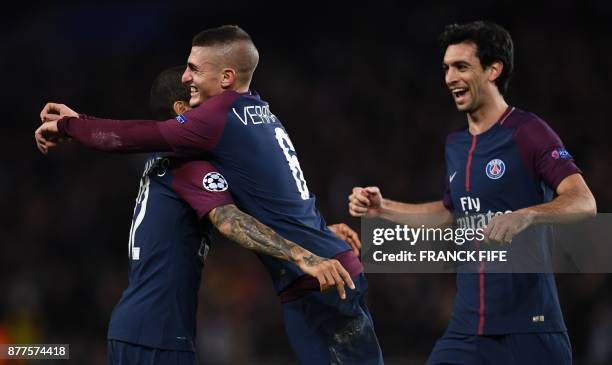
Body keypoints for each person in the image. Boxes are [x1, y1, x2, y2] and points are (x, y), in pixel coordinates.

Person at [35, 26, 383, 364]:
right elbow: (268, 199)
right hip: (325, 268)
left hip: (318, 278)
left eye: (194, 68)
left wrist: (73, 125)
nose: (187, 77)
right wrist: (318, 237)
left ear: (227, 77)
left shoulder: (214, 119)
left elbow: (136, 136)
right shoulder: (262, 112)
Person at [348, 21, 596, 364]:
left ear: (493, 70)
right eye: (447, 68)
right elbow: (452, 214)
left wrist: (527, 215)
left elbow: (584, 201)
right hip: (467, 332)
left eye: (461, 66)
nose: (450, 77)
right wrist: (382, 208)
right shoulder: (456, 144)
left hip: (531, 329)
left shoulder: (528, 132)